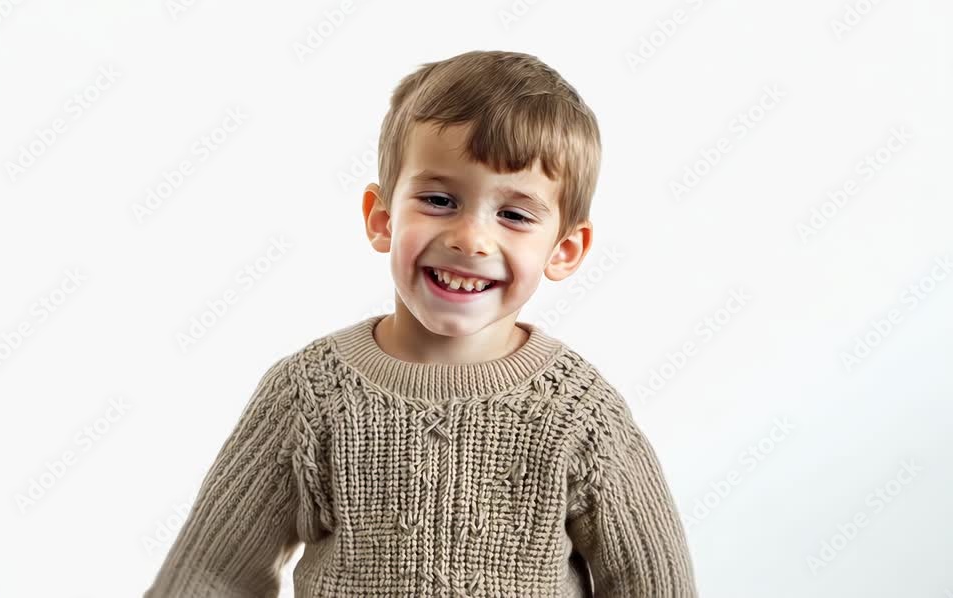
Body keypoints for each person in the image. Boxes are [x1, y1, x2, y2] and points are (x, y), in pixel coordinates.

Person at [143, 49, 698, 597]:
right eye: (438, 199)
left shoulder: (580, 413)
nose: (471, 239)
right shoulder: (308, 394)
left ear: (565, 248)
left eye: (514, 215)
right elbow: (213, 575)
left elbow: (653, 583)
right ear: (382, 218)